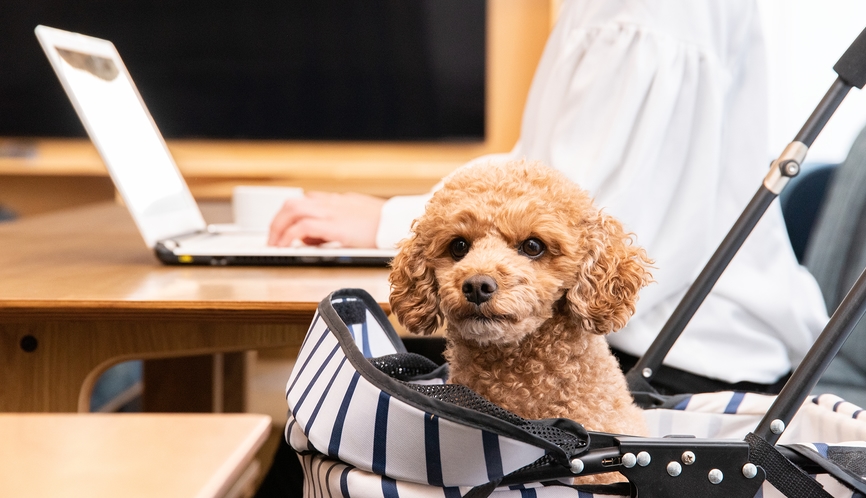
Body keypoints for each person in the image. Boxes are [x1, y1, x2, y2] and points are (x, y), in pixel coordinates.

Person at [266, 0, 829, 395]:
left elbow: (579, 215)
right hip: (681, 341)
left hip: (685, 355)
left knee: (330, 404)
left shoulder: (642, 12)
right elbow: (538, 172)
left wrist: (388, 219)